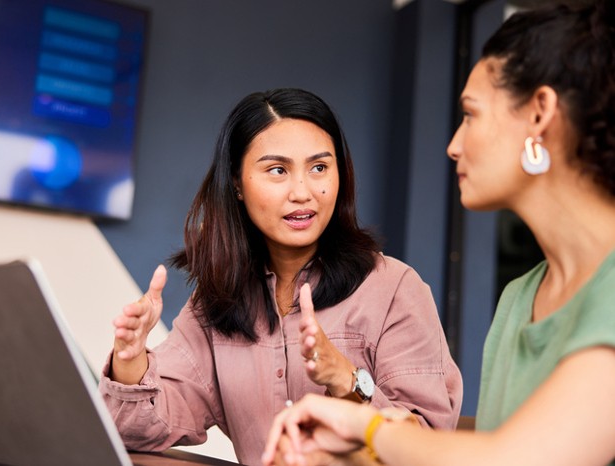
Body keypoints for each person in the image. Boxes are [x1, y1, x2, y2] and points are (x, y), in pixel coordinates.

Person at [262, 1, 615, 465]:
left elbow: (514, 458)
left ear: (539, 114)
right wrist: (347, 451)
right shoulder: (520, 299)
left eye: (470, 114)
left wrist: (366, 426)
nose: (453, 145)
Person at [99, 88, 462, 465]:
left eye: (319, 168)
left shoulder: (394, 289)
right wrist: (130, 360)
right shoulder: (217, 301)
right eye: (278, 170)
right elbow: (134, 433)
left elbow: (428, 448)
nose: (302, 192)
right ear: (237, 184)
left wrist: (346, 379)